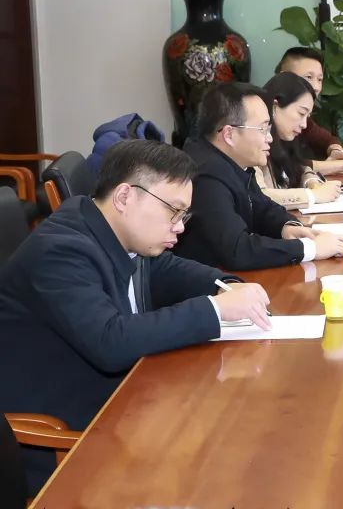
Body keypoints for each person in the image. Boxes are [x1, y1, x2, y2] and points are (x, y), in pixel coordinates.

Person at [0, 140, 272, 493]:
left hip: (130, 404)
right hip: (66, 439)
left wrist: (226, 285)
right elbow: (110, 342)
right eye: (173, 211)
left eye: (184, 215)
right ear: (125, 197)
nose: (180, 227)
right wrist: (215, 309)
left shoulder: (113, 230)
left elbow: (165, 268)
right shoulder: (60, 251)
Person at [175, 82, 343, 271]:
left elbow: (262, 207)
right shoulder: (206, 175)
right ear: (229, 134)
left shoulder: (232, 163)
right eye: (263, 129)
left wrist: (286, 227)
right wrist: (309, 249)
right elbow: (237, 250)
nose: (270, 138)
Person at [275, 47, 343, 174]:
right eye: (308, 77)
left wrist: (336, 151)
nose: (316, 87)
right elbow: (289, 166)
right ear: (283, 77)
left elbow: (327, 139)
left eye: (320, 79)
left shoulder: (302, 117)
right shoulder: (262, 113)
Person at [258, 72, 343, 209]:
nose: (304, 124)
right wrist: (313, 196)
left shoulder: (283, 139)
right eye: (301, 113)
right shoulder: (253, 141)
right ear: (275, 106)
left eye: (307, 116)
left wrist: (312, 182)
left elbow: (299, 167)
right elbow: (258, 197)